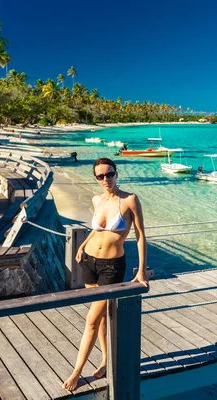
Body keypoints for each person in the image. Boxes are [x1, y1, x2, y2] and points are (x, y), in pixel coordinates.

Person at [62, 157, 148, 391]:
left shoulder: (129, 200)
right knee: (99, 318)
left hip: (112, 267)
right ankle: (105, 360)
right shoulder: (96, 199)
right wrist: (82, 245)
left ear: (116, 174)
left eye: (109, 174)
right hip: (90, 261)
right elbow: (97, 229)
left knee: (91, 319)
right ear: (96, 178)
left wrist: (141, 271)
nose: (106, 179)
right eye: (100, 176)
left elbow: (140, 235)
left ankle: (77, 372)